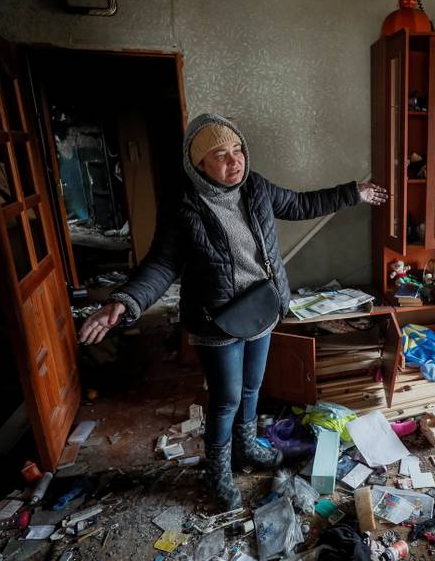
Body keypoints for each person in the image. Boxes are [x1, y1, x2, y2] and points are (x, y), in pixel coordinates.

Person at [78, 113, 387, 510]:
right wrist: (124, 301)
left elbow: (300, 203)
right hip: (215, 317)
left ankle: (247, 449)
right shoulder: (183, 204)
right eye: (220, 155)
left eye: (237, 150)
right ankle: (218, 472)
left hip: (261, 307)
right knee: (225, 399)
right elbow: (162, 264)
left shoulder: (255, 187)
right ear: (199, 164)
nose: (234, 161)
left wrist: (353, 192)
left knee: (252, 388)